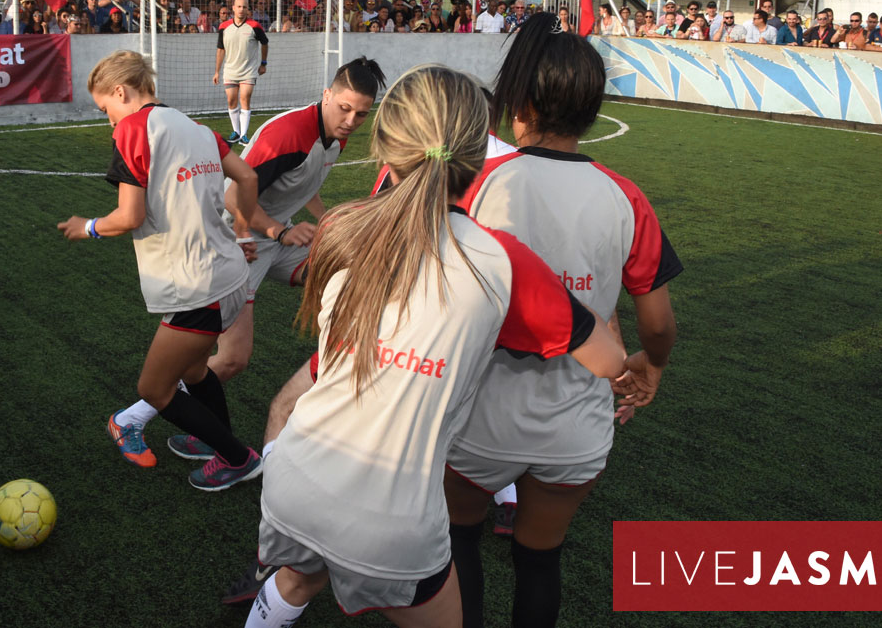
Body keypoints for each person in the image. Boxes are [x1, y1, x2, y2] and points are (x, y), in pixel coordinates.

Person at [245, 65, 625, 628]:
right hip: (390, 516)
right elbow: (608, 360)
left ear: (383, 148)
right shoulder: (501, 261)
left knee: (298, 578)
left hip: (292, 479)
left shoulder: (342, 228)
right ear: (484, 153)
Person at [445, 13, 681, 628]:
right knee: (539, 561)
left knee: (459, 540)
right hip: (574, 419)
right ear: (592, 107)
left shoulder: (482, 182)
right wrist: (649, 366)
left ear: (520, 105)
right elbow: (657, 323)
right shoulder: (625, 196)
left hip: (481, 412)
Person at [108, 58, 387, 467]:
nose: (351, 120)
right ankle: (134, 418)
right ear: (327, 95)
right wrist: (277, 230)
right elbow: (234, 197)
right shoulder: (289, 132)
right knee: (232, 359)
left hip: (273, 235)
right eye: (344, 108)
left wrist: (322, 218)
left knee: (347, 269)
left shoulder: (334, 135)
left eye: (361, 114)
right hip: (237, 241)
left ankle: (363, 370)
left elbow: (301, 178)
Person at [58, 50, 266, 491]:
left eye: (105, 110)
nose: (109, 121)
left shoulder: (135, 129)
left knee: (154, 389)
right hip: (229, 276)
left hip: (195, 286)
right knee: (193, 372)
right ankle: (216, 443)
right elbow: (247, 179)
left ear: (121, 92)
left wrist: (88, 227)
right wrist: (243, 234)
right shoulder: (196, 128)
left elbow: (128, 216)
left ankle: (237, 457)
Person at [213, 0, 269, 145]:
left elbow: (265, 43)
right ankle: (236, 132)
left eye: (244, 7)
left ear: (248, 9)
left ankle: (244, 135)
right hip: (230, 70)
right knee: (231, 100)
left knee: (245, 98)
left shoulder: (255, 26)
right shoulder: (224, 27)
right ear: (233, 8)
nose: (241, 10)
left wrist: (263, 63)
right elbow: (220, 49)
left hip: (248, 71)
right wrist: (217, 71)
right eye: (239, 6)